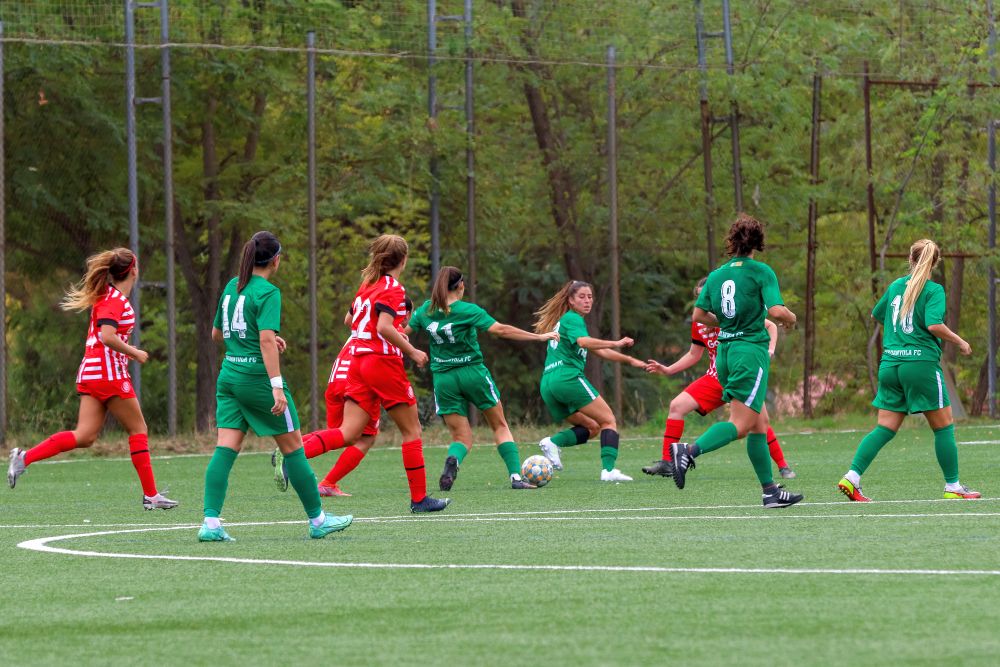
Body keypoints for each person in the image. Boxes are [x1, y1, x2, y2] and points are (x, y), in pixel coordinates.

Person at [274, 234, 449, 513]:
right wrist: (412, 351)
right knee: (412, 430)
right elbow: (384, 327)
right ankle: (419, 499)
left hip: (358, 361)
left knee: (348, 432)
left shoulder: (367, 286)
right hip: (382, 362)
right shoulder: (393, 288)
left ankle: (293, 455)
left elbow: (350, 320)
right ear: (403, 260)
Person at [198, 231, 353, 542]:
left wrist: (254, 341)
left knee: (226, 448)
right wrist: (277, 387)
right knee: (294, 448)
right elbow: (266, 341)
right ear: (276, 260)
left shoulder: (232, 287)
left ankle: (210, 523)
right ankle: (318, 520)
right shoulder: (268, 292)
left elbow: (218, 334)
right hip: (256, 380)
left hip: (229, 376)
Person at [6, 248, 177, 511]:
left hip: (92, 373)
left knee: (84, 436)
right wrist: (135, 353)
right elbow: (107, 335)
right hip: (108, 375)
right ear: (133, 269)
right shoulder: (115, 300)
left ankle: (23, 458)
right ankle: (151, 495)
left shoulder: (108, 296)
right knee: (138, 429)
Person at [669, 215, 804, 508]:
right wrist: (792, 319)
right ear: (758, 242)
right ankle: (688, 451)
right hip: (749, 352)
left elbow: (699, 315)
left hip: (728, 353)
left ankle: (770, 491)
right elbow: (778, 311)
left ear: (732, 242)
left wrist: (728, 323)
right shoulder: (761, 271)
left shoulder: (717, 275)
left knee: (759, 424)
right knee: (741, 425)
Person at [838, 239, 980, 502]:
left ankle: (852, 477)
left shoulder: (895, 286)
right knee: (944, 427)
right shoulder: (933, 290)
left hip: (890, 365)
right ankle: (953, 486)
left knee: (884, 428)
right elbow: (934, 325)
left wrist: (898, 336)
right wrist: (960, 341)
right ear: (934, 263)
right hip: (920, 366)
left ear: (910, 259)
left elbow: (877, 314)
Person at [406, 266, 559, 491]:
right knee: (499, 425)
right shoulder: (468, 310)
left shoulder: (423, 312)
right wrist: (538, 337)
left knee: (461, 437)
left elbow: (400, 333)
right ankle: (516, 477)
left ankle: (453, 461)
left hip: (444, 379)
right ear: (460, 286)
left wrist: (409, 350)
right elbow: (501, 330)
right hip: (473, 373)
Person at [642, 277, 795, 479]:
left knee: (759, 421)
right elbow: (693, 354)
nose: (703, 300)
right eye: (699, 296)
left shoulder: (731, 314)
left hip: (740, 373)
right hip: (715, 377)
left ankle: (783, 467)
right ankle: (668, 463)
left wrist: (770, 350)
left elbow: (770, 325)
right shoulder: (699, 321)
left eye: (707, 295)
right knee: (676, 406)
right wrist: (669, 369)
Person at [284, 296, 414, 498]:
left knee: (339, 434)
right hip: (356, 382)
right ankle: (297, 459)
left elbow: (349, 319)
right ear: (405, 314)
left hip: (336, 379)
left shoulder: (361, 326)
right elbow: (383, 368)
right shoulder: (387, 332)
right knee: (360, 437)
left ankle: (292, 448)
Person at [533, 280, 644, 481]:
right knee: (608, 420)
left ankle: (552, 442)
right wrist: (617, 342)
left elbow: (600, 351)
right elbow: (584, 342)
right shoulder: (573, 319)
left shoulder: (564, 322)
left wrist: (629, 360)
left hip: (549, 384)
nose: (587, 301)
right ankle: (608, 471)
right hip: (568, 378)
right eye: (582, 297)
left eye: (590, 296)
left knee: (592, 427)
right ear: (571, 301)